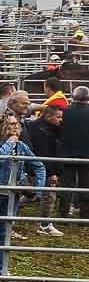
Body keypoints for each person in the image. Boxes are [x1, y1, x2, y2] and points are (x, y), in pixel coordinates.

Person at [0, 113, 46, 277]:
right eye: (11, 124)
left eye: (16, 124)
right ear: (0, 126)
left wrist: (38, 190)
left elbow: (39, 166)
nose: (15, 127)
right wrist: (9, 142)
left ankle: (1, 268)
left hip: (11, 195)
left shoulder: (21, 146)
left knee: (4, 232)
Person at [25, 105, 64, 236]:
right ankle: (45, 225)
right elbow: (45, 153)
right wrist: (52, 173)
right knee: (47, 197)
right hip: (42, 169)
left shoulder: (41, 127)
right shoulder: (42, 131)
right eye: (58, 117)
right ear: (48, 116)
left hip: (36, 168)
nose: (60, 120)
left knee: (30, 195)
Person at [59, 86, 89, 221]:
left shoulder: (64, 112)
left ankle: (63, 215)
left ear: (73, 97)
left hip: (66, 153)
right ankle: (85, 216)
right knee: (86, 185)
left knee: (66, 185)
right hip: (87, 155)